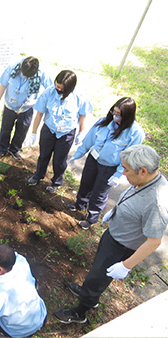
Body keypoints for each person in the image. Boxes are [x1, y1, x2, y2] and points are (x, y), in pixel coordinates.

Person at [54, 145, 168, 324]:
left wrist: (126, 265)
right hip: (113, 236)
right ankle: (88, 294)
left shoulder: (157, 203)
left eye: (127, 170)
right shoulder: (145, 181)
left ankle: (80, 312)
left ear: (143, 171)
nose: (123, 173)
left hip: (120, 248)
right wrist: (115, 212)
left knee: (97, 278)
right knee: (97, 273)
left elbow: (154, 241)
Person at [67, 97, 145, 230]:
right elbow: (89, 139)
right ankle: (80, 204)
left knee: (99, 193)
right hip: (94, 159)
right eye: (114, 112)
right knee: (86, 183)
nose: (115, 116)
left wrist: (118, 174)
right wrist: (77, 154)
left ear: (127, 116)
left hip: (109, 167)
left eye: (119, 115)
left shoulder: (135, 133)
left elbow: (129, 156)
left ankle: (91, 218)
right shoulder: (104, 121)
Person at [25, 70, 93, 193]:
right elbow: (39, 113)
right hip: (49, 129)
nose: (58, 89)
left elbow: (82, 115)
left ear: (69, 88)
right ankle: (38, 175)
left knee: (59, 160)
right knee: (44, 155)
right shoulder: (48, 93)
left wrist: (81, 132)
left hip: (66, 133)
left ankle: (56, 182)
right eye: (57, 85)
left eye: (61, 88)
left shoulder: (80, 97)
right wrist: (33, 132)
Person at [0, 56, 53, 160]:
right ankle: (1, 149)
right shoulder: (12, 68)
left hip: (26, 108)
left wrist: (41, 101)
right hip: (10, 105)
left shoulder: (41, 74)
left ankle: (14, 150)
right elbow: (3, 85)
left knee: (22, 130)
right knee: (5, 128)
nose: (25, 76)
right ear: (21, 66)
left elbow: (50, 90)